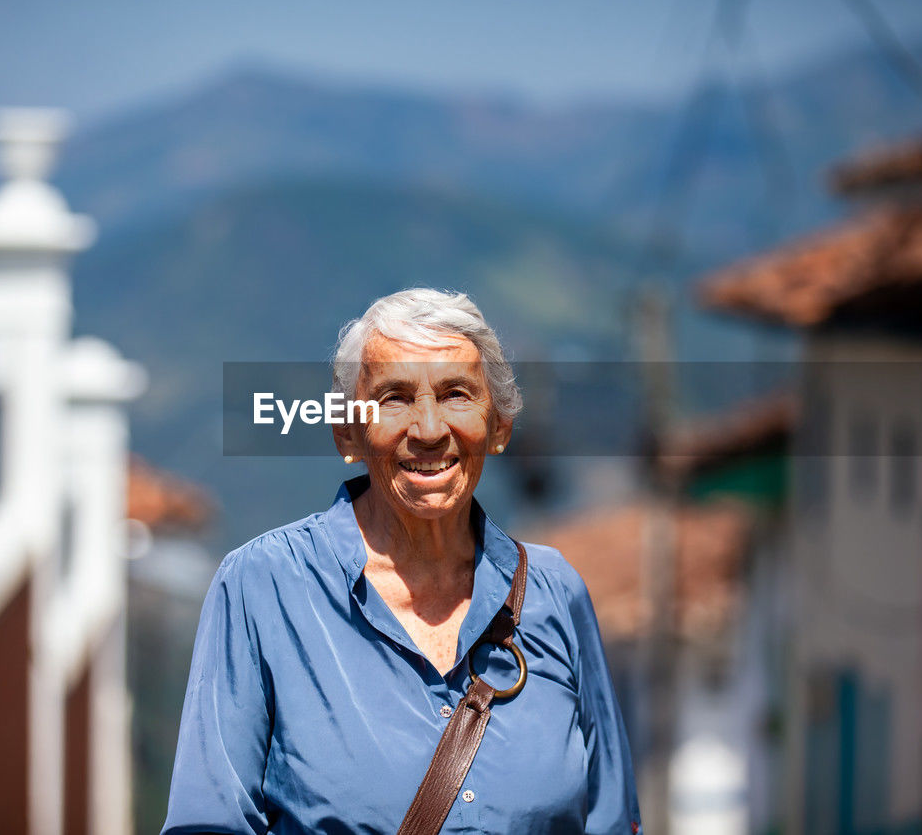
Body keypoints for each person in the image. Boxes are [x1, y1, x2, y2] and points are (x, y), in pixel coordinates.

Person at [162, 288, 643, 834]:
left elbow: (612, 819)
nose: (430, 430)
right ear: (348, 432)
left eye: (457, 394)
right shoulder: (263, 586)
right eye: (394, 399)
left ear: (500, 426)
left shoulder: (556, 595)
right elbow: (210, 823)